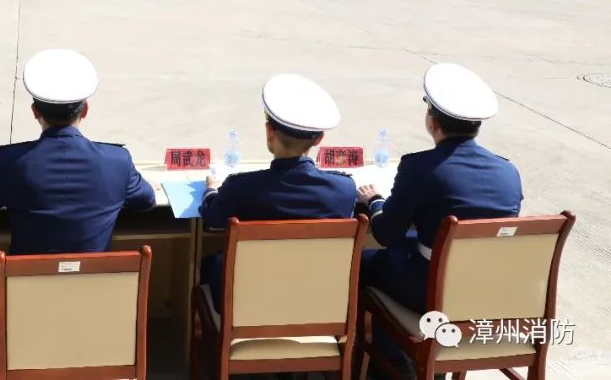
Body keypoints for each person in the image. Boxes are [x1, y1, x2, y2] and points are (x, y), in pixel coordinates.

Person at [0, 49, 156, 325]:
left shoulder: (11, 161)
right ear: (86, 110)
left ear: (34, 112)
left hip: (29, 302)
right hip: (93, 299)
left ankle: (18, 351)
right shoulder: (116, 161)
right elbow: (147, 200)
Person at [358, 63, 522, 379]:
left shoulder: (420, 167)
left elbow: (385, 232)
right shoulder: (508, 172)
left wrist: (375, 201)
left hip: (433, 292)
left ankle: (386, 360)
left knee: (363, 261)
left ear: (432, 122)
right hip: (488, 291)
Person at [198, 74, 356, 310]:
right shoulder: (343, 189)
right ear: (320, 138)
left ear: (270, 132)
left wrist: (210, 190)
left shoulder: (241, 187)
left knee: (210, 263)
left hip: (247, 306)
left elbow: (213, 217)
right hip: (315, 305)